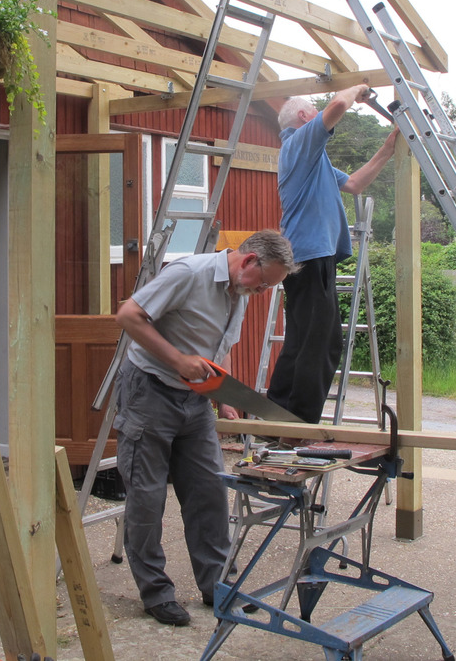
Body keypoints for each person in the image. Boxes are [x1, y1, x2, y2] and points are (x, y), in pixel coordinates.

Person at [113, 229, 297, 626]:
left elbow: (218, 345)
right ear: (248, 260)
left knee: (210, 492)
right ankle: (157, 594)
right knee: (147, 499)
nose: (263, 291)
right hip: (149, 391)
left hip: (195, 400)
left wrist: (223, 391)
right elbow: (128, 315)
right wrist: (179, 360)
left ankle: (218, 586)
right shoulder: (188, 274)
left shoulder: (239, 292)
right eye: (264, 283)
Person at [266, 85, 399, 424]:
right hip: (309, 254)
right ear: (303, 116)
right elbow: (339, 101)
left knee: (304, 339)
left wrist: (388, 148)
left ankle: (280, 414)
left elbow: (354, 184)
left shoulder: (312, 158)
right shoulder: (298, 143)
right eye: (314, 110)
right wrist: (360, 90)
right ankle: (299, 421)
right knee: (323, 343)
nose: (318, 115)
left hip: (310, 255)